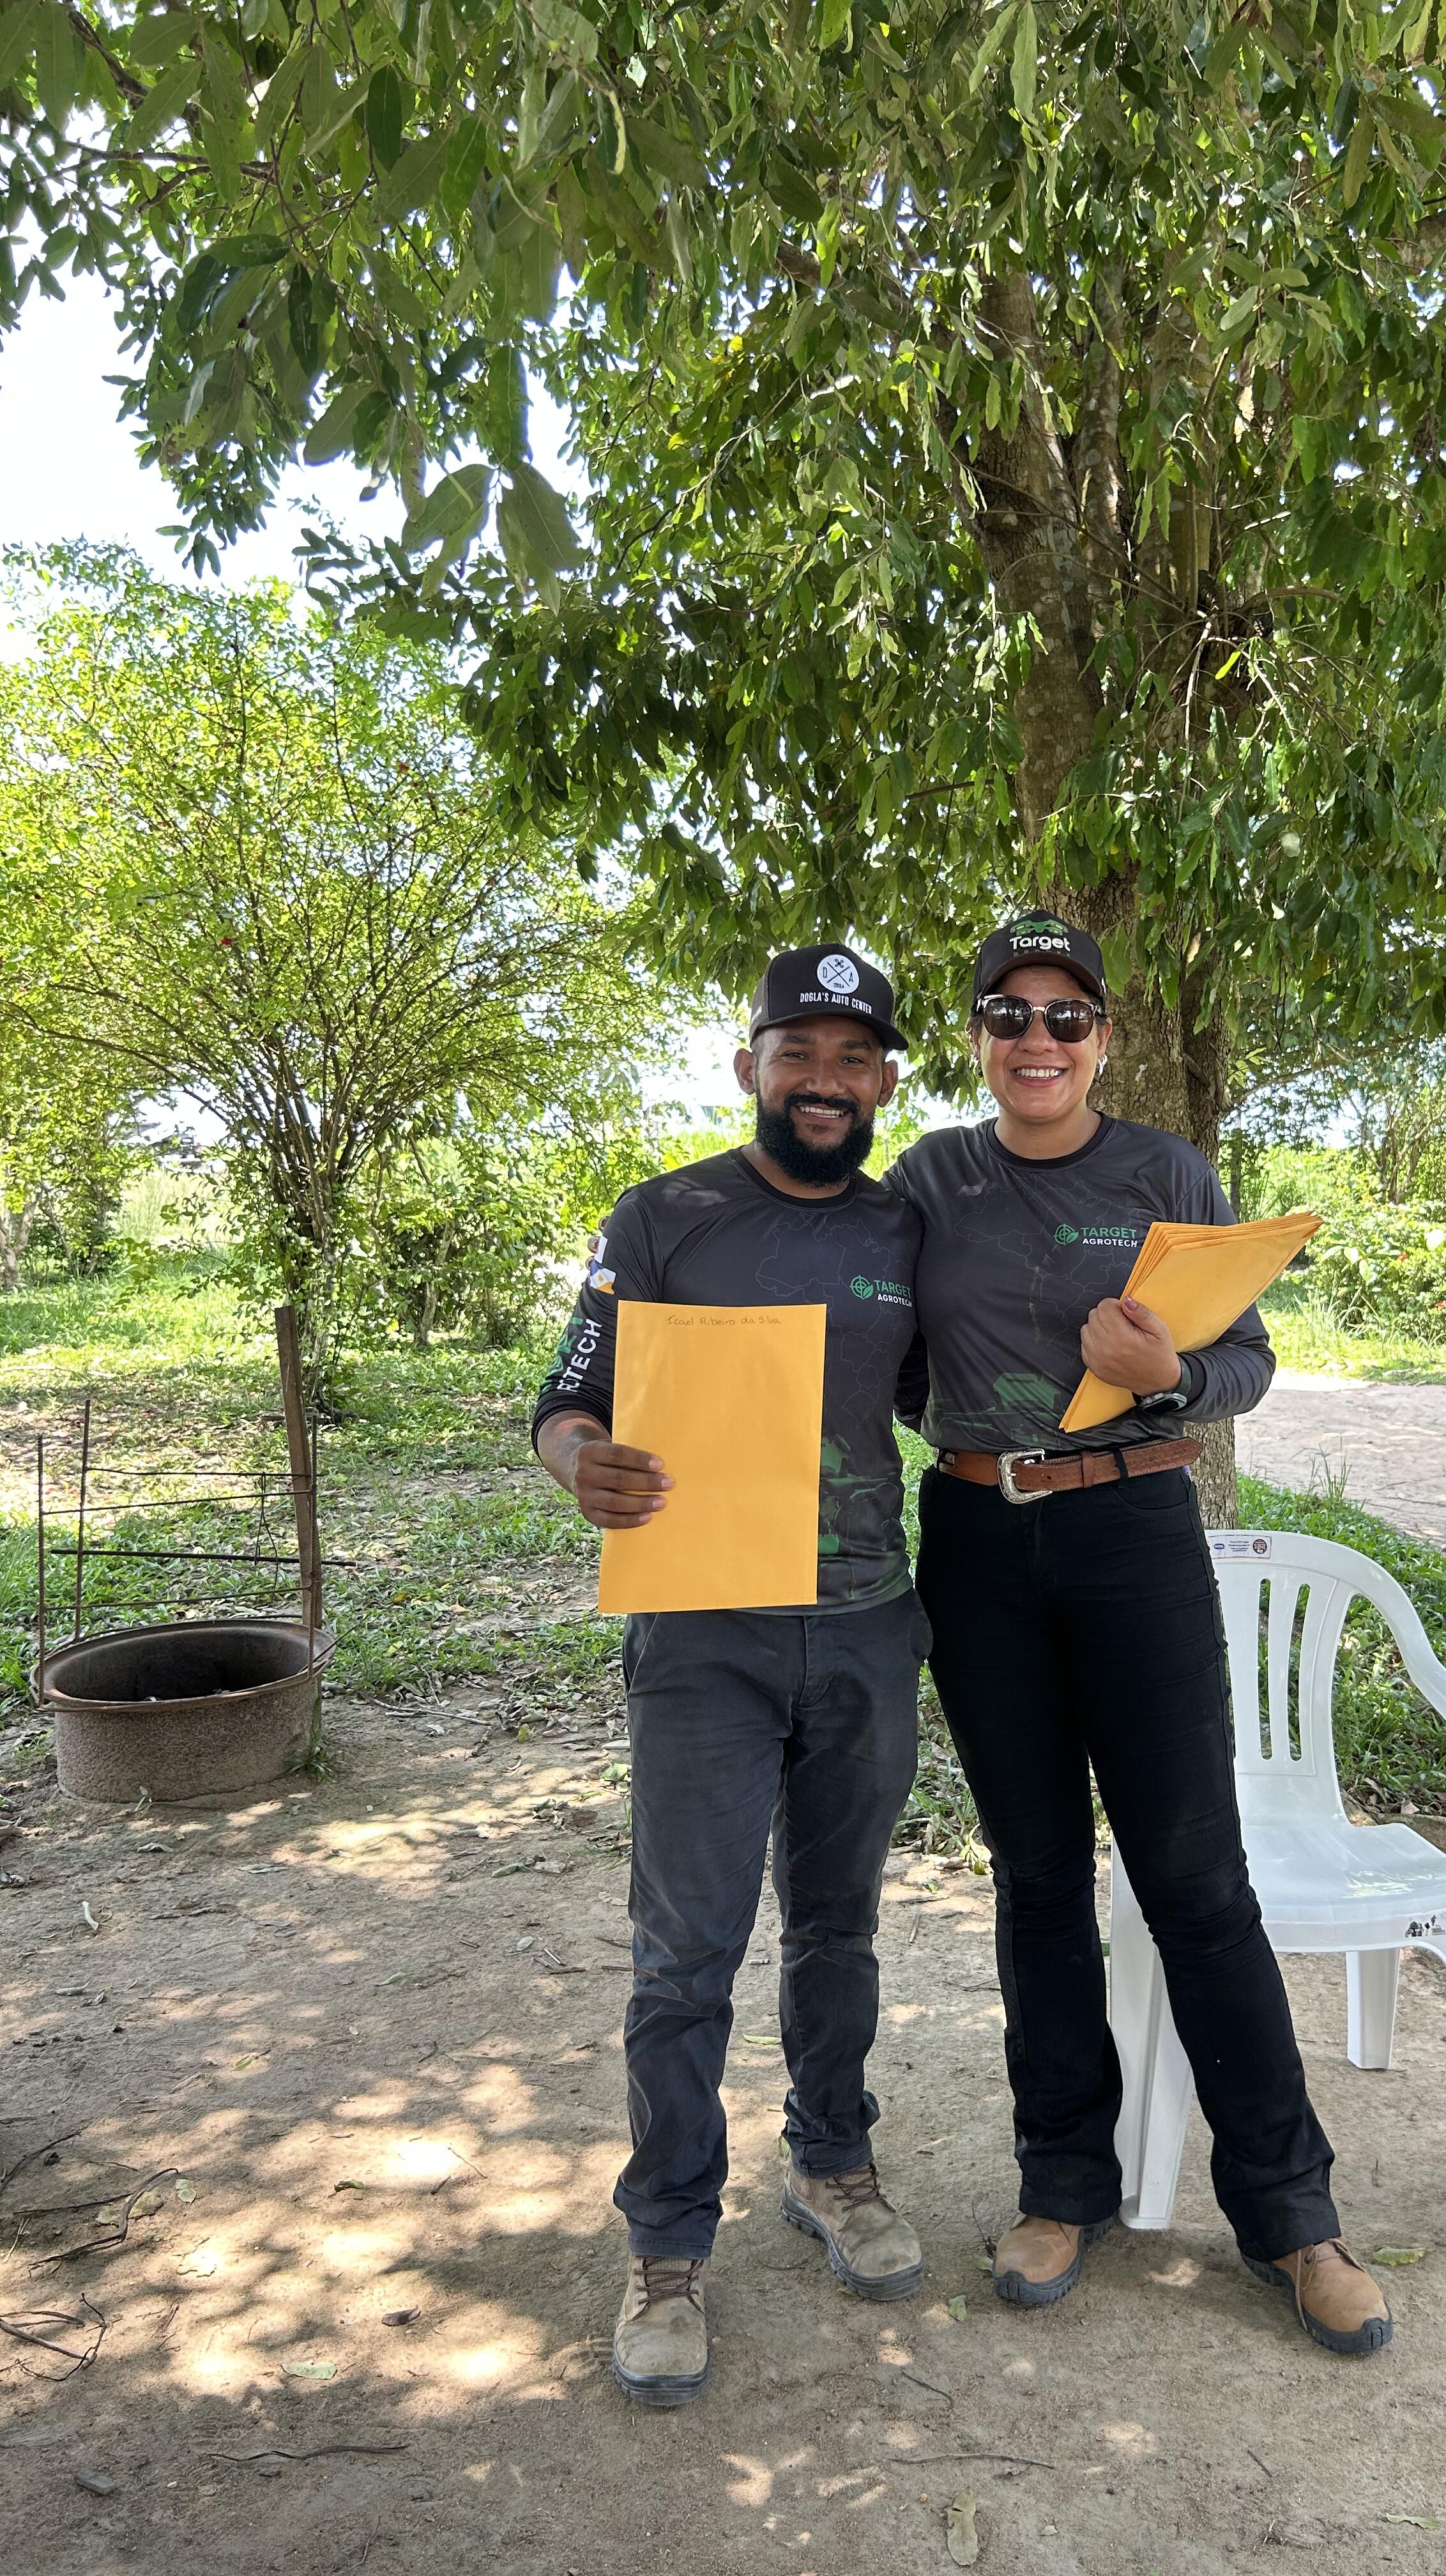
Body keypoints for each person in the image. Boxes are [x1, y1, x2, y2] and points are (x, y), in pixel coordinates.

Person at [887, 912, 1392, 2358]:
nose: (1035, 1039)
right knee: (1037, 1877)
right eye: (1008, 1012)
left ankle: (1294, 2219)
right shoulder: (930, 1180)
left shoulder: (1165, 1173)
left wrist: (1170, 1374)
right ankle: (1061, 2189)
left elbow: (1249, 1357)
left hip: (1135, 1537)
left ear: (1102, 1039)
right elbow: (886, 1357)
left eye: (1065, 1016)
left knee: (1194, 1875)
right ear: (978, 1037)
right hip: (979, 1543)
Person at [533, 944, 931, 2409]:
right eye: (797, 1052)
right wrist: (585, 1465)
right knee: (683, 1950)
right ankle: (666, 2244)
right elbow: (564, 1403)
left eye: (853, 1057)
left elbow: (930, 1397)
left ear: (886, 1079)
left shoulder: (910, 1225)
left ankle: (831, 2162)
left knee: (839, 1924)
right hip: (701, 1630)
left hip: (870, 1623)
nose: (824, 1080)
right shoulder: (665, 1219)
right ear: (749, 1064)